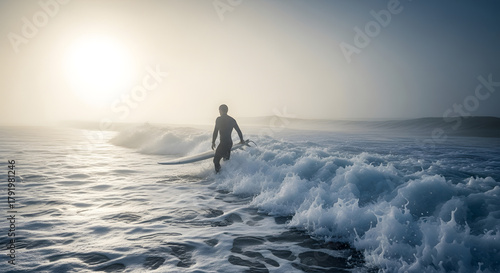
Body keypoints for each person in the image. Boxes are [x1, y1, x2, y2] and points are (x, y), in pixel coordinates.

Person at [212, 104, 244, 173]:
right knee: (225, 160)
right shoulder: (232, 120)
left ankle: (218, 176)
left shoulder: (219, 119)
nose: (219, 112)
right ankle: (225, 178)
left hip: (223, 144)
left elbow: (215, 131)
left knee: (215, 160)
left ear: (221, 110)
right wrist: (241, 140)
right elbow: (239, 131)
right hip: (229, 143)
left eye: (219, 110)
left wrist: (213, 142)